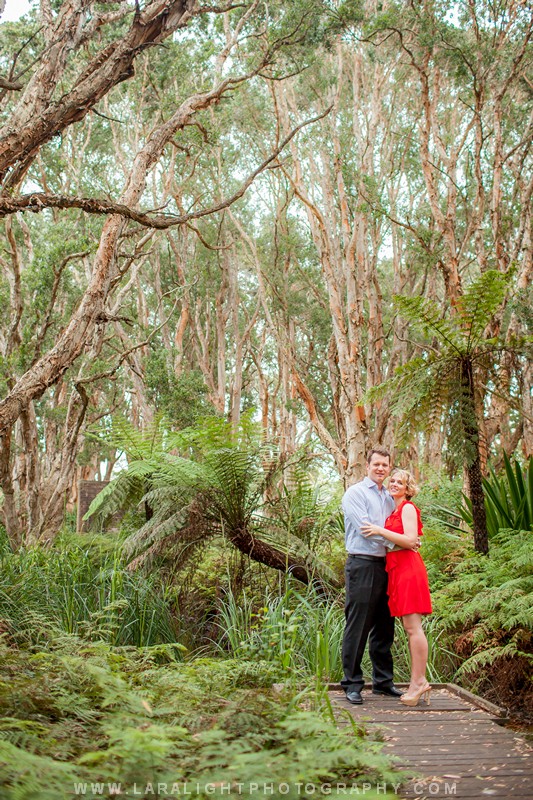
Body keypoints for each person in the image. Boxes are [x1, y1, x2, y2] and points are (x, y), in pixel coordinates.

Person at [341, 447, 413, 705]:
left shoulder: (389, 497)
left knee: (385, 626)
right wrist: (403, 542)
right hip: (362, 564)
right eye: (377, 464)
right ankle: (352, 684)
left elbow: (394, 528)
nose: (381, 469)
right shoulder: (355, 493)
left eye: (385, 465)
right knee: (358, 625)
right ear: (367, 466)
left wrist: (403, 541)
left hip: (389, 566)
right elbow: (365, 531)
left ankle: (383, 682)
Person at [361, 468, 432, 707]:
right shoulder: (394, 510)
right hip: (397, 571)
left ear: (408, 488)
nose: (394, 484)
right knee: (409, 628)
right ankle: (416, 682)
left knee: (414, 628)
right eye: (392, 480)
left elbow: (411, 540)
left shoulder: (407, 508)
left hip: (409, 571)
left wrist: (380, 530)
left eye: (400, 482)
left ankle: (419, 682)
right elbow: (403, 541)